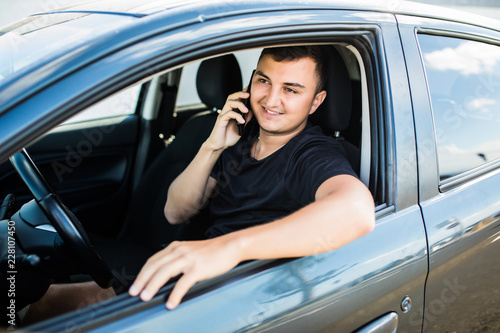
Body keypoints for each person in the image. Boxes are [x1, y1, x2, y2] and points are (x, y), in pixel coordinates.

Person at [128, 45, 375, 310]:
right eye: (264, 81)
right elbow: (175, 212)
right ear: (250, 83)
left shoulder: (312, 154)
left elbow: (357, 210)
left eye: (290, 89)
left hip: (243, 297)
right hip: (197, 275)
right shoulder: (238, 137)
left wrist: (229, 248)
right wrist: (213, 146)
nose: (270, 100)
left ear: (316, 101)